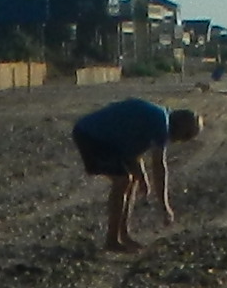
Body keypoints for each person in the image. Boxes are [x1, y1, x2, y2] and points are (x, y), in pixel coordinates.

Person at [72, 92, 200, 249]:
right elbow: (159, 166)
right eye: (186, 136)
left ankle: (123, 235)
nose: (181, 141)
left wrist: (143, 178)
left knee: (131, 181)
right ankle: (112, 240)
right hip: (91, 136)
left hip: (105, 139)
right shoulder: (161, 123)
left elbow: (133, 150)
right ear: (180, 124)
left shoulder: (158, 118)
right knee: (122, 181)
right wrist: (165, 206)